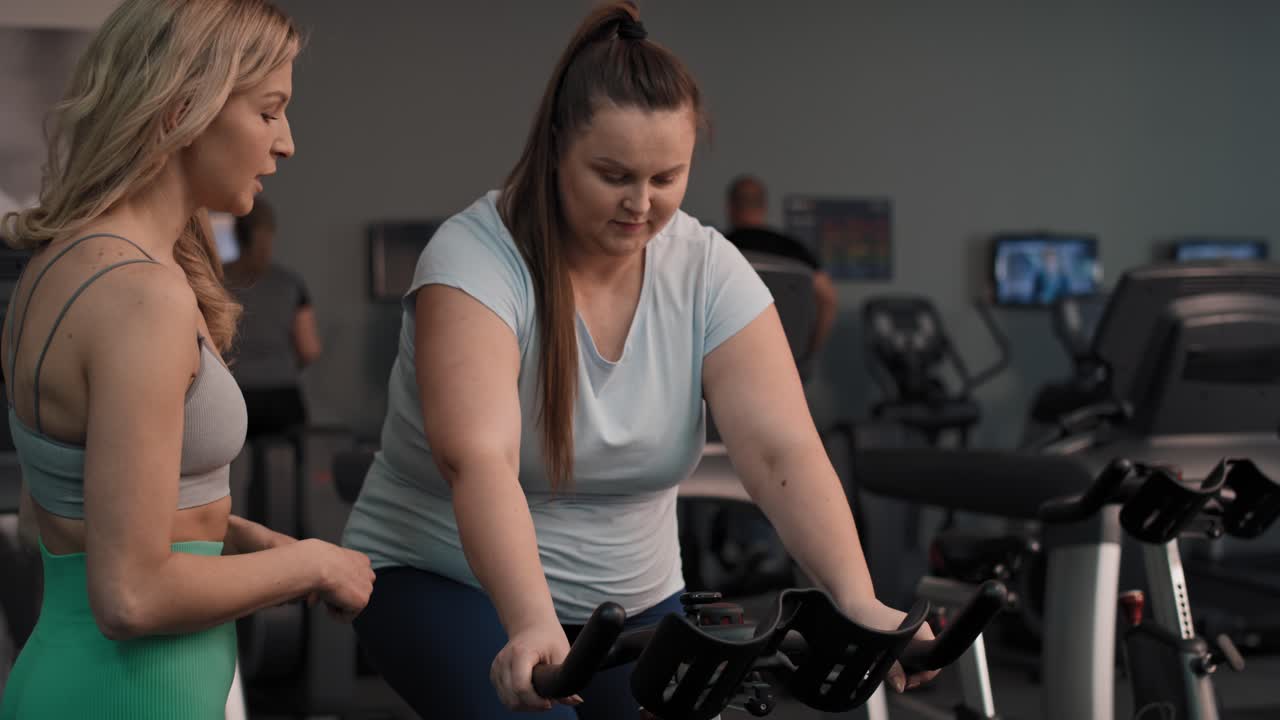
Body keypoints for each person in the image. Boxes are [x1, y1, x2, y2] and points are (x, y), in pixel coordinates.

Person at [344, 4, 937, 718]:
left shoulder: (707, 268)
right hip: (445, 578)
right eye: (613, 174)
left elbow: (781, 451)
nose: (640, 204)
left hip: (634, 599)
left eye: (666, 178)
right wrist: (530, 620)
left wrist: (858, 603)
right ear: (557, 146)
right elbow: (479, 460)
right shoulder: (474, 260)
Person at [0, 2, 373, 718]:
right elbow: (131, 596)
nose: (287, 143)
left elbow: (70, 505)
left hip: (77, 676)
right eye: (269, 112)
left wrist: (238, 536)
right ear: (182, 110)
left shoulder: (56, 266)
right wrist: (313, 564)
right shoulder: (142, 296)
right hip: (129, 694)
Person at [223, 198, 321, 441]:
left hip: (232, 395)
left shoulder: (214, 280)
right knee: (288, 463)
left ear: (236, 234)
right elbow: (309, 350)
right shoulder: (290, 283)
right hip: (281, 398)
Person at [725, 175, 838, 356]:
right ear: (764, 207)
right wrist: (810, 351)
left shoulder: (717, 248)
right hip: (788, 358)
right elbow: (828, 298)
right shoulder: (795, 250)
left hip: (729, 357)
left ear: (730, 207)